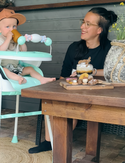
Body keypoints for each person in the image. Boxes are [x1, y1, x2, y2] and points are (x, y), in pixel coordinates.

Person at [28, 7, 117, 154]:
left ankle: (59, 142)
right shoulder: (74, 48)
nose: (82, 26)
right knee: (53, 98)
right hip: (73, 88)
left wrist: (92, 71)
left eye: (88, 24)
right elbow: (64, 76)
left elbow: (113, 73)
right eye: (83, 22)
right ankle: (50, 142)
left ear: (99, 30)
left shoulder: (110, 50)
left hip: (96, 95)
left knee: (72, 104)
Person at [0, 9, 56, 84]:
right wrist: (8, 38)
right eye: (7, 27)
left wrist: (22, 41)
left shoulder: (15, 40)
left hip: (16, 67)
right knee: (5, 71)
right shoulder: (0, 39)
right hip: (4, 68)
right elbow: (0, 50)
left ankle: (41, 79)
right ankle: (19, 78)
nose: (11, 29)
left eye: (14, 26)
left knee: (30, 69)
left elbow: (24, 51)